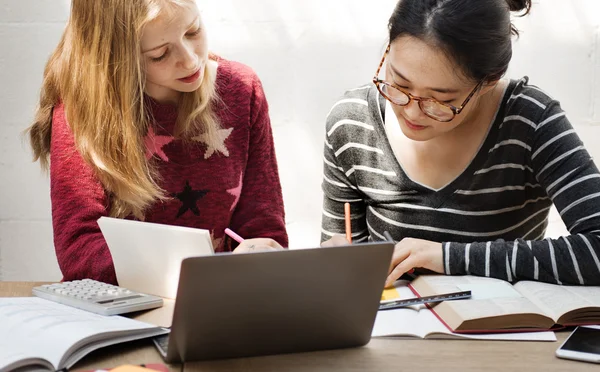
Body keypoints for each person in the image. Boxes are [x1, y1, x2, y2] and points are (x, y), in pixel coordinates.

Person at [321, 0, 600, 286]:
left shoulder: (530, 121)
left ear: (489, 82)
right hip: (393, 329)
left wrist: (446, 257)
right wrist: (331, 264)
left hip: (504, 327)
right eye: (399, 84)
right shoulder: (352, 123)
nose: (411, 111)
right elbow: (342, 267)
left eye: (440, 100)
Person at [27, 0, 287, 284]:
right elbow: (79, 251)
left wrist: (262, 251)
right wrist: (197, 274)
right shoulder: (82, 110)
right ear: (117, 59)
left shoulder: (241, 88)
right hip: (125, 312)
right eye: (160, 54)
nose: (190, 60)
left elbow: (264, 228)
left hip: (218, 303)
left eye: (193, 31)